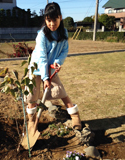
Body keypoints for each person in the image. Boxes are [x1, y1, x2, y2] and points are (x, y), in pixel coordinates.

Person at [25, 2, 82, 131]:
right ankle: (31, 121)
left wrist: (58, 62)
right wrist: (45, 78)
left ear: (60, 17)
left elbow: (64, 50)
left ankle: (74, 115)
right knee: (32, 94)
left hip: (50, 67)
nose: (51, 24)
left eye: (54, 19)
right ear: (45, 19)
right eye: (48, 20)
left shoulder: (64, 33)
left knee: (60, 91)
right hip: (36, 67)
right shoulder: (42, 35)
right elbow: (42, 58)